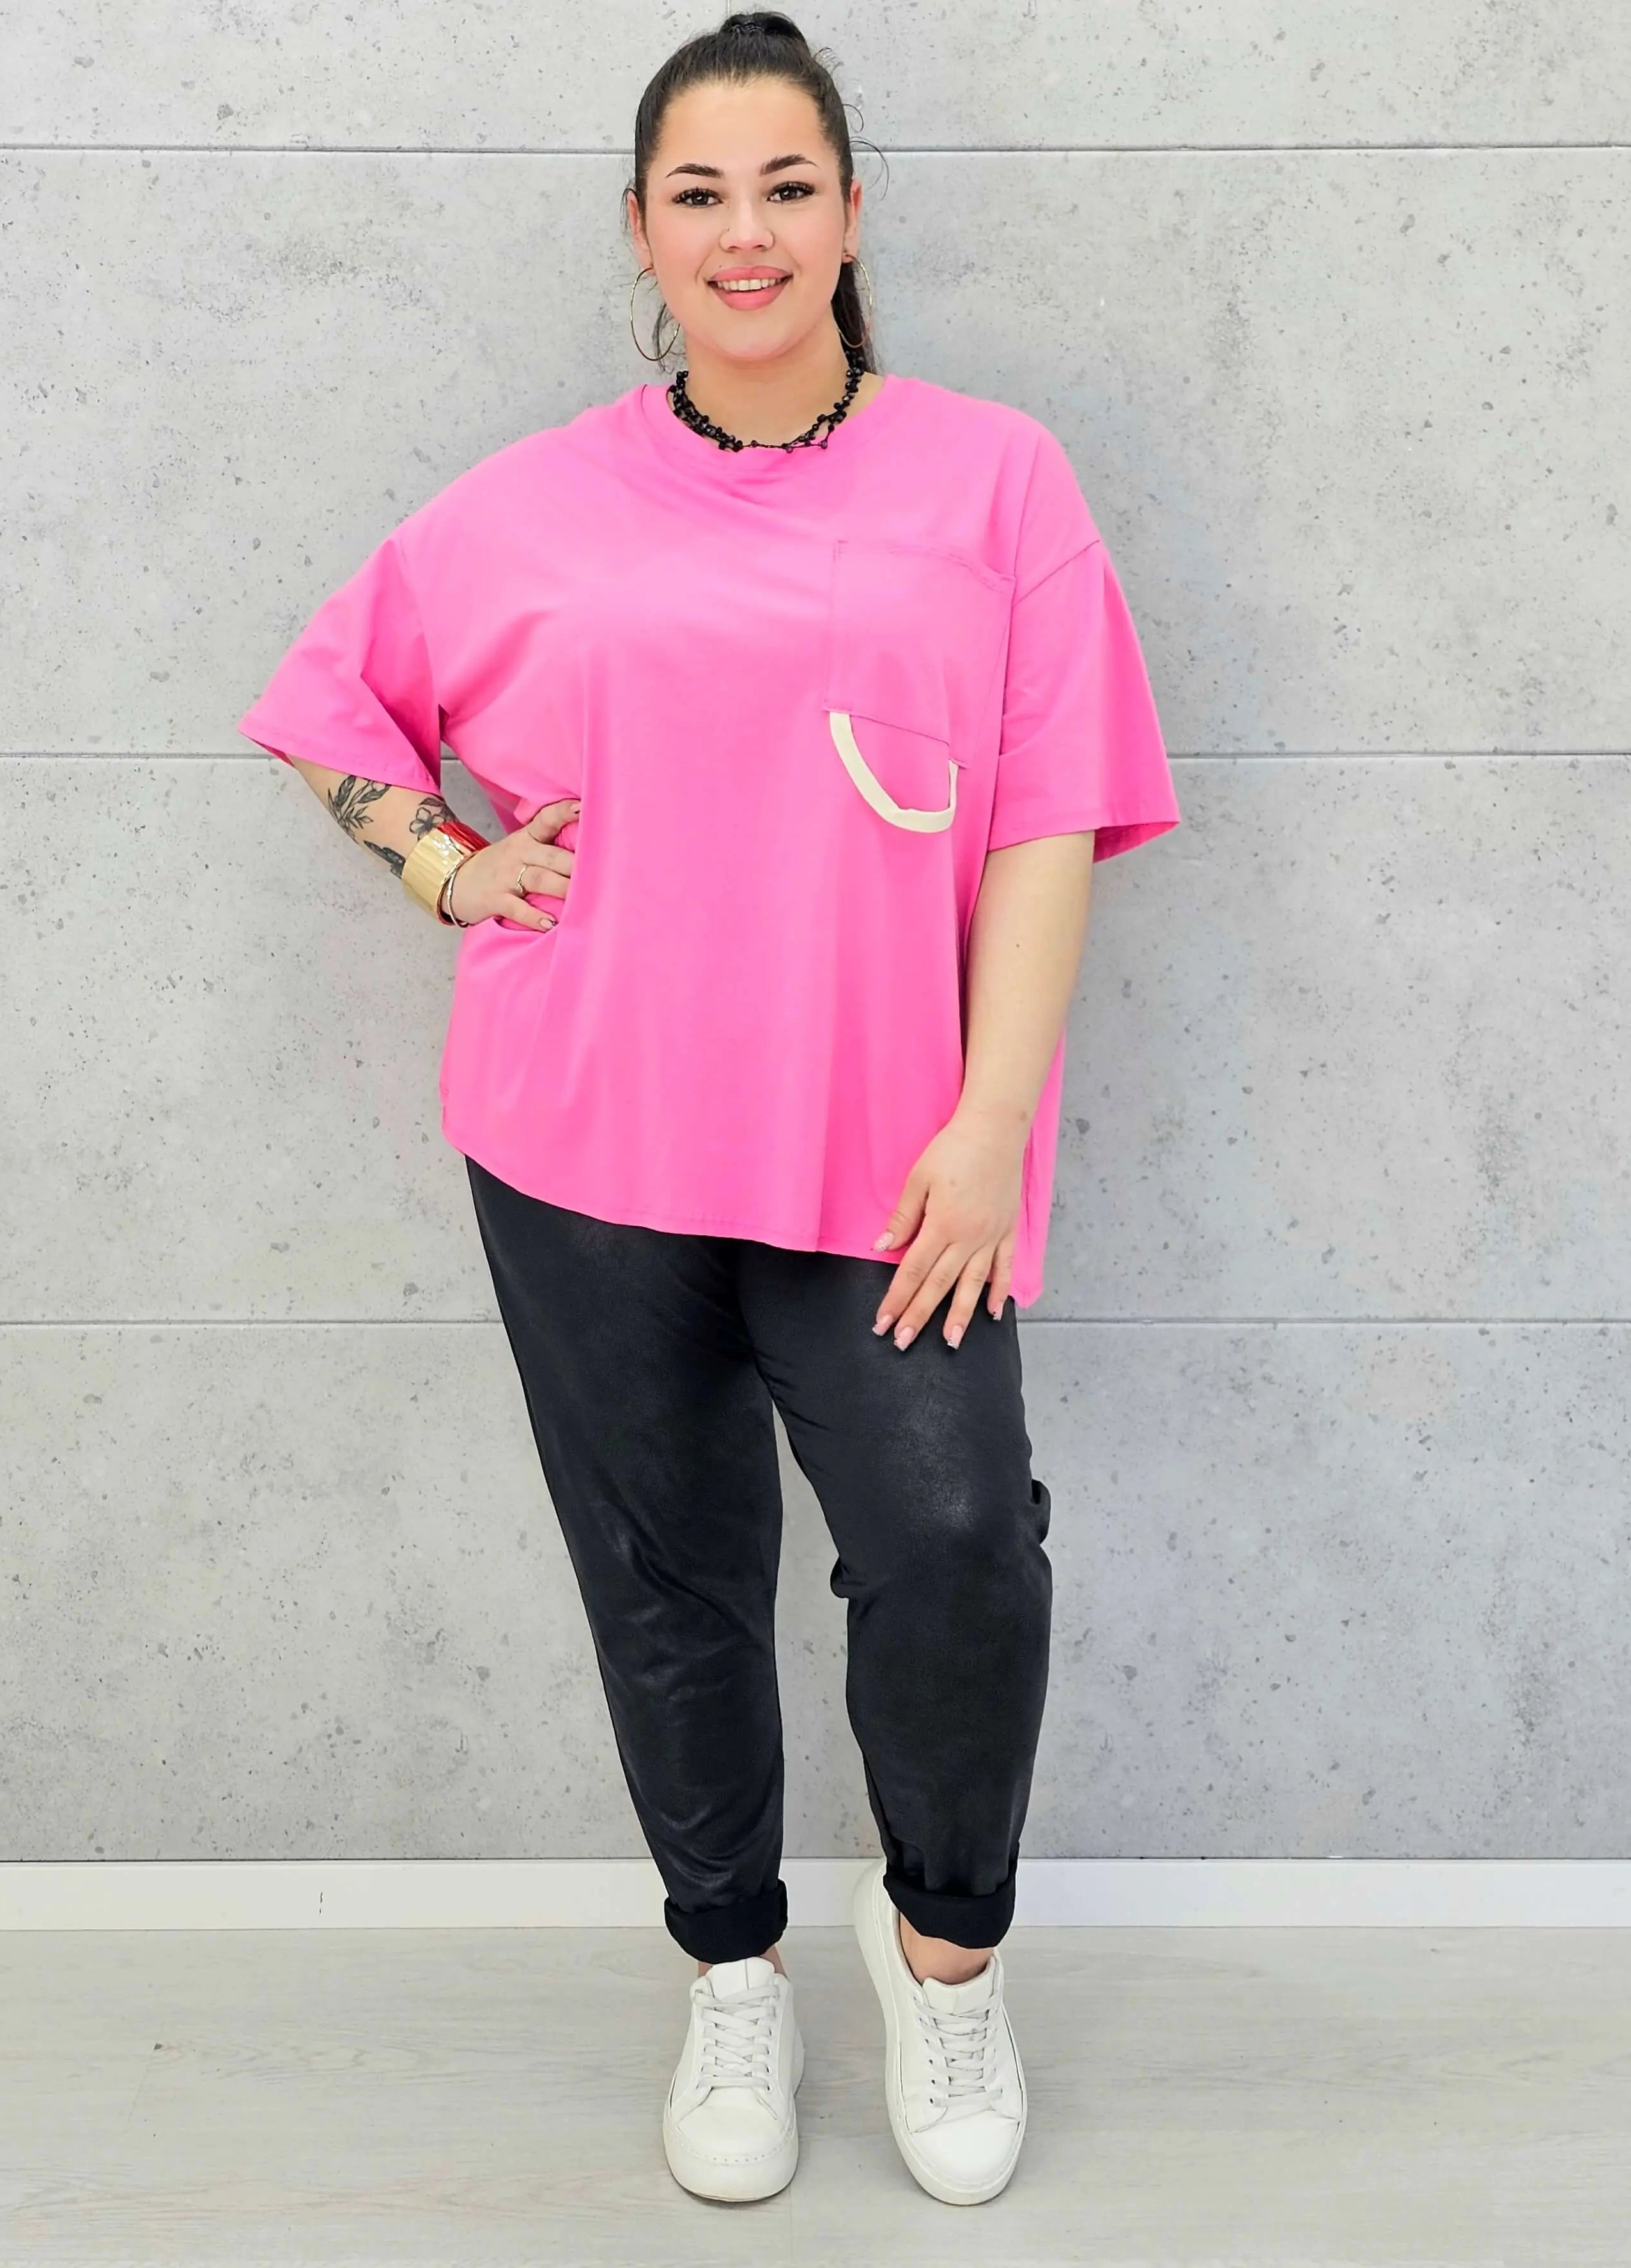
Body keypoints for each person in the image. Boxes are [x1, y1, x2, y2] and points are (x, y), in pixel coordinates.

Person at [236, 9, 1179, 2212]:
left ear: (849, 214)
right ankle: (731, 1967)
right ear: (643, 233)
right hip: (587, 1133)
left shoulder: (995, 479)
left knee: (957, 1545)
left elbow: (1049, 818)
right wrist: (443, 863)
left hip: (895, 1153)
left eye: (785, 187)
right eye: (698, 195)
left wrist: (990, 1119)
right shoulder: (537, 498)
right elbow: (330, 703)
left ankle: (943, 1964)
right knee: (667, 1579)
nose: (744, 233)